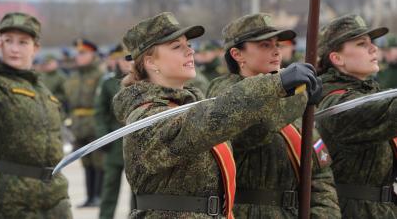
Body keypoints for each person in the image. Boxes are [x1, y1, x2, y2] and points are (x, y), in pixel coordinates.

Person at [113, 12, 321, 218]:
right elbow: (210, 120)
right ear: (150, 62)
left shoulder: (188, 107)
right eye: (177, 47)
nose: (190, 52)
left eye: (189, 45)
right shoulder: (145, 117)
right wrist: (277, 84)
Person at [206, 13, 340, 218]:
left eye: (277, 44)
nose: (276, 51)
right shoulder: (223, 93)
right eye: (265, 45)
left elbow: (320, 173)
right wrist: (299, 97)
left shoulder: (292, 95)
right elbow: (260, 124)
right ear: (237, 54)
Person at [0, 12, 72, 218]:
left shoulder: (42, 89)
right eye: (8, 41)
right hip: (9, 197)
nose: (14, 49)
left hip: (54, 198)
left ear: (35, 48)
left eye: (23, 42)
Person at [316, 14, 397, 218]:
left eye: (372, 43)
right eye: (362, 44)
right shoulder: (335, 105)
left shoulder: (367, 93)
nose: (373, 49)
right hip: (353, 211)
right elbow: (386, 112)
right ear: (337, 58)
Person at [64, 38, 104, 207]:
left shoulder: (99, 74)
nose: (78, 57)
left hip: (94, 123)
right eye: (77, 53)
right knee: (86, 162)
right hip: (78, 124)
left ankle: (98, 196)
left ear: (92, 54)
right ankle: (89, 197)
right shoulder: (74, 76)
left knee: (98, 162)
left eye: (82, 53)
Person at [95, 44, 132, 219]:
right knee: (109, 187)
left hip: (135, 144)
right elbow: (100, 113)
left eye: (130, 58)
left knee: (137, 190)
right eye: (123, 58)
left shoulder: (141, 81)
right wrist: (104, 137)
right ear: (116, 60)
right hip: (114, 143)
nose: (127, 63)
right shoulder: (108, 82)